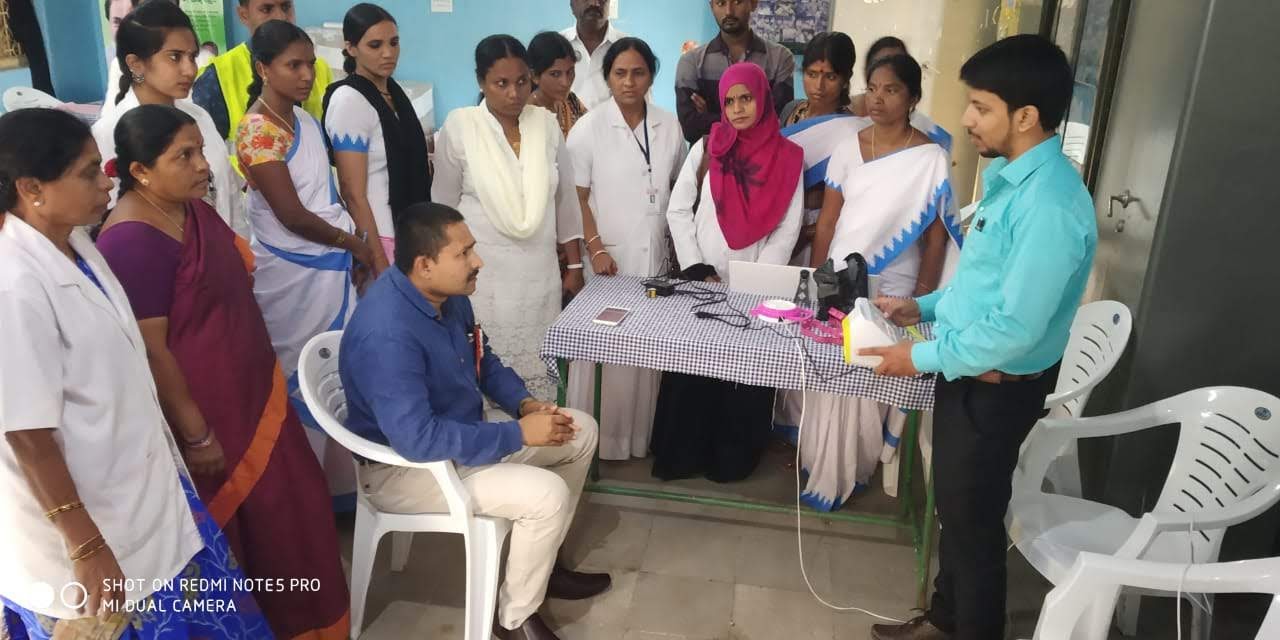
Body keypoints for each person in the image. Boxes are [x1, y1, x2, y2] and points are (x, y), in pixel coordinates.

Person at [0, 107, 272, 640]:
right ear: (32, 189)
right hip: (85, 532)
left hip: (137, 492)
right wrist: (86, 545)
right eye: (87, 173)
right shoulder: (14, 286)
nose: (106, 180)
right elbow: (26, 432)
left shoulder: (77, 245)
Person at [862, 35, 1096, 640]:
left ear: (1026, 116)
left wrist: (918, 356)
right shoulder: (1010, 180)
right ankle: (945, 618)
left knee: (974, 527)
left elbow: (1015, 327)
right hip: (969, 370)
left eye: (981, 107)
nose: (966, 119)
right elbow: (981, 289)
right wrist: (920, 307)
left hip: (996, 384)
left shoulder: (1050, 205)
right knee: (956, 513)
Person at [96, 105, 351, 639]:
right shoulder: (129, 241)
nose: (202, 165)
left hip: (256, 392)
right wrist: (197, 432)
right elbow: (151, 349)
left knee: (295, 511)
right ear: (140, 171)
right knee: (249, 528)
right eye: (183, 156)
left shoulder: (192, 211)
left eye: (200, 151)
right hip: (211, 416)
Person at [339, 203, 611, 640]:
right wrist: (515, 434)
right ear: (425, 265)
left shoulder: (446, 298)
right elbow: (416, 440)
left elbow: (486, 362)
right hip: (404, 470)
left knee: (577, 432)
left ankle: (542, 569)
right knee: (547, 495)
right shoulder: (387, 332)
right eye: (463, 253)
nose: (477, 261)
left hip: (459, 438)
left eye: (473, 249)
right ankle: (515, 620)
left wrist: (524, 404)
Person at [787, 54, 961, 513]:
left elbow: (936, 240)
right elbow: (828, 222)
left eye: (892, 90)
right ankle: (819, 460)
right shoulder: (849, 147)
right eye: (874, 87)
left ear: (913, 98)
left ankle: (854, 467)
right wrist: (816, 279)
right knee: (828, 370)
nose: (878, 98)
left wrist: (921, 301)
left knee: (868, 372)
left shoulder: (930, 158)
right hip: (839, 275)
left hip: (894, 285)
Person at [235, 20, 373, 511]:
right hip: (291, 275)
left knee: (340, 372)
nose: (306, 75)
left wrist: (349, 247)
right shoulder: (257, 131)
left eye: (310, 64)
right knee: (299, 377)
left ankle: (342, 492)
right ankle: (301, 501)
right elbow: (292, 215)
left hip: (329, 265)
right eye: (293, 65)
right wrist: (355, 246)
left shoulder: (306, 122)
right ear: (263, 68)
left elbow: (328, 199)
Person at [652, 62, 803, 482]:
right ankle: (684, 456)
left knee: (745, 370)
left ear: (763, 99)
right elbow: (678, 209)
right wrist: (698, 267)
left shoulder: (789, 157)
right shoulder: (707, 147)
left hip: (753, 286)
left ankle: (730, 459)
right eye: (730, 100)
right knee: (694, 367)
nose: (737, 109)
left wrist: (754, 280)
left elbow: (788, 227)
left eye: (746, 98)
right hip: (702, 279)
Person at [432, 35, 585, 404]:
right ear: (481, 81)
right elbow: (443, 210)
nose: (514, 93)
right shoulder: (461, 127)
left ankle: (539, 434)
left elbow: (565, 200)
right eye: (501, 83)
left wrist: (575, 264)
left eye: (521, 81)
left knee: (539, 378)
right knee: (486, 370)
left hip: (539, 277)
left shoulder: (546, 125)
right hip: (484, 278)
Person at [565, 37, 686, 460]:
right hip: (608, 260)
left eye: (638, 72)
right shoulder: (589, 128)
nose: (629, 82)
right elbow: (575, 198)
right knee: (606, 350)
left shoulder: (668, 126)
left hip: (654, 258)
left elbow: (676, 187)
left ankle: (636, 439)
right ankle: (595, 442)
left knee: (644, 349)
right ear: (608, 77)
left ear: (651, 76)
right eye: (620, 73)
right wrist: (595, 248)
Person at [93, 0, 248, 238]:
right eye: (175, 57)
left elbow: (230, 196)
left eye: (192, 56)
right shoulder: (109, 132)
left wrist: (240, 249)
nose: (190, 69)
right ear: (136, 64)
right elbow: (111, 221)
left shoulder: (198, 117)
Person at [323, 2, 431, 274]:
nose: (388, 53)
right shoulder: (349, 100)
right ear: (351, 47)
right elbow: (352, 193)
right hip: (382, 236)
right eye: (375, 45)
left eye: (394, 43)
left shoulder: (394, 93)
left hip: (410, 233)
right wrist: (378, 261)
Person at [192, 0, 335, 154]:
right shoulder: (216, 78)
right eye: (267, 9)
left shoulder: (319, 68)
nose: (280, 17)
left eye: (286, 7)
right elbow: (206, 157)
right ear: (244, 15)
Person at [776, 31, 863, 267]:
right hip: (777, 225)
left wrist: (807, 232)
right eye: (811, 74)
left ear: (846, 78)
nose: (819, 86)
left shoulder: (851, 130)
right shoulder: (790, 111)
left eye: (830, 77)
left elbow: (848, 201)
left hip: (817, 234)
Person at [675, 0, 795, 143]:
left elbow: (779, 121)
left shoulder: (779, 58)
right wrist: (753, 117)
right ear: (712, 7)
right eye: (721, 3)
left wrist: (711, 117)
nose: (729, 11)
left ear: (753, 3)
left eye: (737, 2)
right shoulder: (691, 62)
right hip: (708, 156)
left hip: (764, 156)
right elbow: (690, 128)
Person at [851, 36, 953, 152]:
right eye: (881, 63)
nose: (888, 69)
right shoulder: (847, 135)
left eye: (891, 90)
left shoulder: (932, 144)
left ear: (913, 98)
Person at [560, 0, 626, 110]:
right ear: (572, 4)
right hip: (562, 121)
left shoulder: (628, 49)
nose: (594, 3)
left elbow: (641, 107)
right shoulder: (556, 45)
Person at [526, 31, 588, 139]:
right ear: (534, 76)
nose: (565, 82)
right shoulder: (525, 115)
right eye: (555, 74)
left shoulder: (572, 102)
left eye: (570, 72)